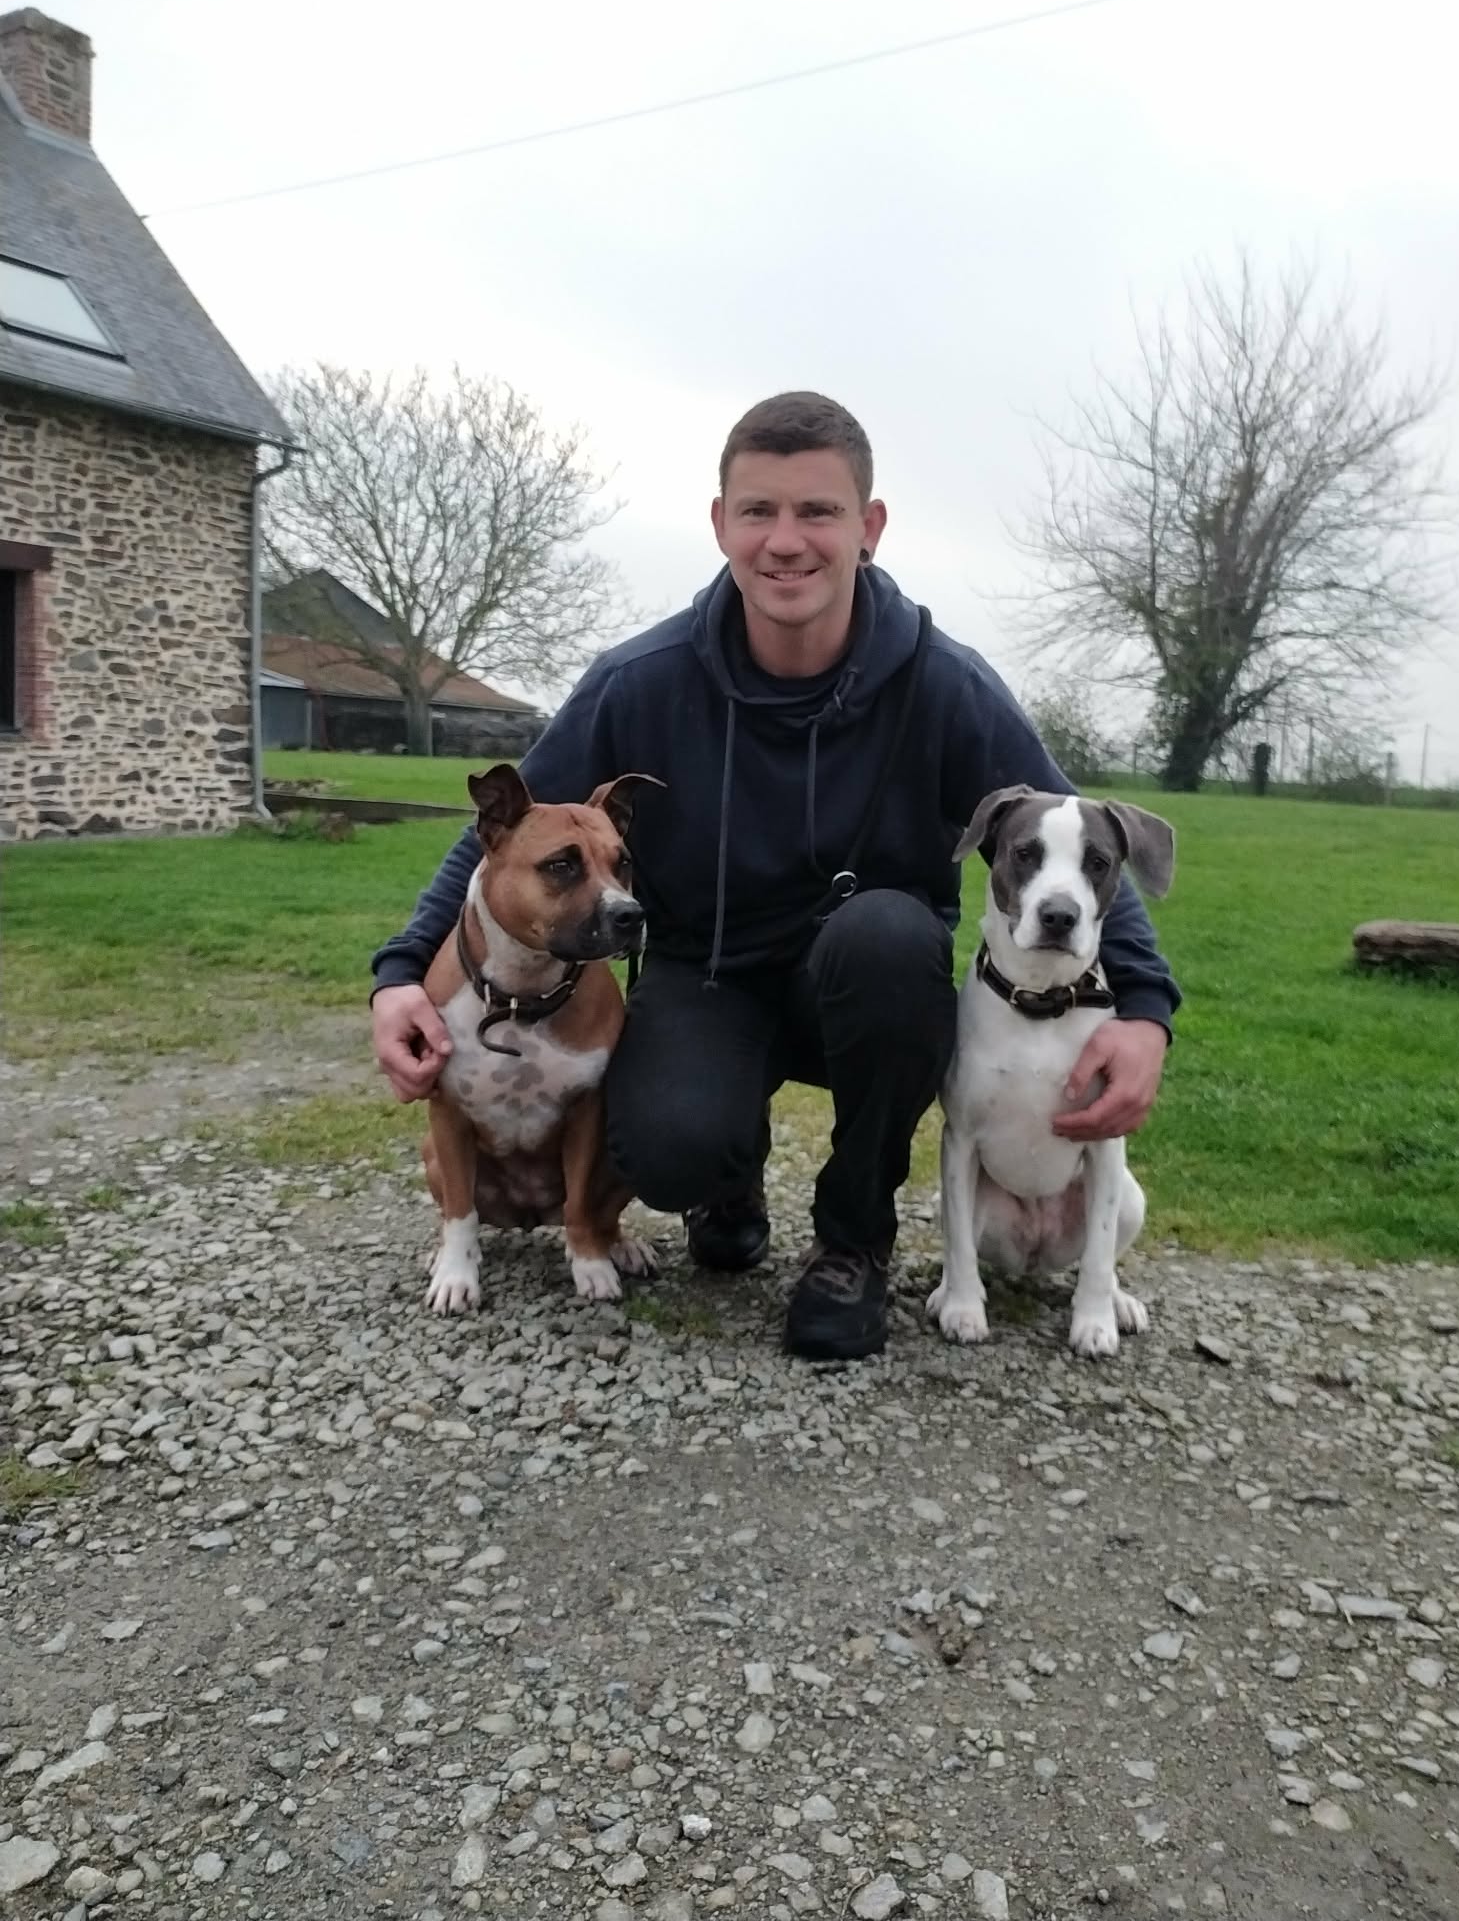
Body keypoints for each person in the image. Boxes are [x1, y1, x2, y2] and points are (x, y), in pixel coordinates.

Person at [370, 392, 1180, 1362]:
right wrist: (402, 974)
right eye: (758, 510)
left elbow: (1078, 837)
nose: (786, 540)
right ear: (721, 523)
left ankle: (853, 1240)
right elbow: (503, 839)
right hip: (713, 978)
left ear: (869, 527)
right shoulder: (641, 680)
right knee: (664, 1145)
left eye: (818, 511)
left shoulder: (944, 684)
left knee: (890, 938)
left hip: (869, 985)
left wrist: (1144, 1010)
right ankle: (726, 1178)